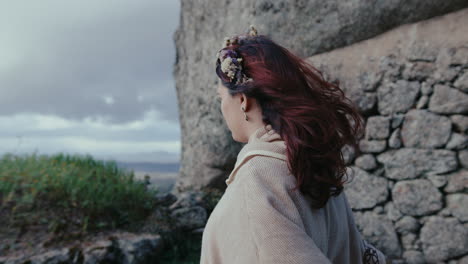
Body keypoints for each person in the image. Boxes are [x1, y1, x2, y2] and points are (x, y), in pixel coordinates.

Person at [200, 25, 388, 264]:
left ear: (243, 100)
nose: (221, 108)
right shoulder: (309, 162)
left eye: (221, 98)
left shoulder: (257, 181)